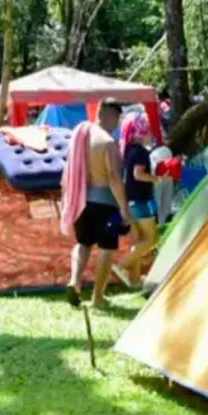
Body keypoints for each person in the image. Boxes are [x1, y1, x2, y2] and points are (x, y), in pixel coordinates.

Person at [64, 99, 135, 309]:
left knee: (83, 243)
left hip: (81, 199)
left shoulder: (81, 136)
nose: (117, 122)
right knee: (107, 248)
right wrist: (124, 208)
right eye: (116, 116)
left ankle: (74, 281)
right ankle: (98, 298)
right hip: (105, 203)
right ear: (105, 114)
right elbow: (114, 177)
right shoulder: (108, 143)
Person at [112, 111, 161, 288]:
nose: (150, 133)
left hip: (130, 201)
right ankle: (121, 266)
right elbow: (138, 174)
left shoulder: (128, 151)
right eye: (147, 129)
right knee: (151, 239)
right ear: (139, 132)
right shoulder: (141, 152)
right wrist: (156, 178)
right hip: (141, 200)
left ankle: (134, 280)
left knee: (138, 240)